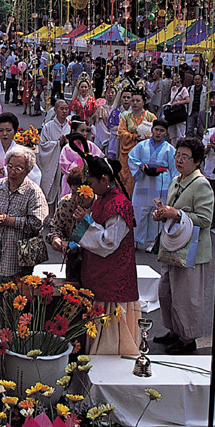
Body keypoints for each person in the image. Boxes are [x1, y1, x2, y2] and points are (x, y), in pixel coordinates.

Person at [70, 149, 141, 354]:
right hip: (99, 271)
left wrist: (86, 221)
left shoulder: (119, 204)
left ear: (104, 179)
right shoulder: (102, 198)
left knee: (110, 326)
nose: (89, 187)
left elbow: (109, 242)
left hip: (113, 275)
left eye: (91, 183)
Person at [152, 137, 214, 354]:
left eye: (185, 157)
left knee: (186, 295)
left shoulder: (201, 184)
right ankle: (174, 330)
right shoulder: (176, 179)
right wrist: (163, 213)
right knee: (167, 291)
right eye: (177, 155)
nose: (179, 159)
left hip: (191, 249)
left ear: (197, 162)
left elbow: (205, 219)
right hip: (173, 245)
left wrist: (176, 214)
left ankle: (188, 338)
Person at [0, 145, 48, 281]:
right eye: (10, 166)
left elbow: (37, 223)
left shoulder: (33, 192)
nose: (12, 172)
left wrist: (9, 221)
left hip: (18, 260)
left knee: (16, 298)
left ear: (27, 171)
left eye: (18, 168)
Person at [129, 119, 178, 252]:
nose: (158, 133)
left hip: (161, 181)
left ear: (166, 133)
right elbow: (132, 158)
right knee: (140, 210)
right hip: (144, 180)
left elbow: (174, 169)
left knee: (157, 211)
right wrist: (142, 167)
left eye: (162, 131)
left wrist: (174, 185)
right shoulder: (142, 146)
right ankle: (136, 240)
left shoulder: (170, 149)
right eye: (156, 129)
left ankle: (153, 241)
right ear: (152, 130)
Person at [117, 88, 156, 198]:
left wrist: (149, 136)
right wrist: (134, 137)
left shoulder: (150, 117)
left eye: (137, 101)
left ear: (143, 102)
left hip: (145, 152)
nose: (134, 103)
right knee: (126, 178)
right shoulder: (125, 116)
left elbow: (157, 131)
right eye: (133, 100)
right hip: (128, 151)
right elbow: (121, 133)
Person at [37, 99, 71, 212]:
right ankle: (50, 215)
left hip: (66, 165)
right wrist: (57, 144)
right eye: (62, 109)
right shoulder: (48, 126)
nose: (64, 111)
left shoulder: (70, 126)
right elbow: (42, 145)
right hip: (52, 163)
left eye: (66, 109)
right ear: (55, 110)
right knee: (52, 189)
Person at [59, 119, 104, 198]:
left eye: (86, 131)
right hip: (71, 182)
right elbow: (64, 167)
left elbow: (99, 160)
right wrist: (81, 163)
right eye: (82, 131)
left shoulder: (90, 145)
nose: (84, 134)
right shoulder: (67, 148)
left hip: (88, 180)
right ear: (73, 131)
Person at [164, 78, 190, 142]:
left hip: (179, 112)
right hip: (172, 112)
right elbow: (171, 99)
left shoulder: (184, 89)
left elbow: (187, 100)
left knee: (180, 132)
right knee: (172, 133)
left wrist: (178, 103)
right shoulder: (173, 88)